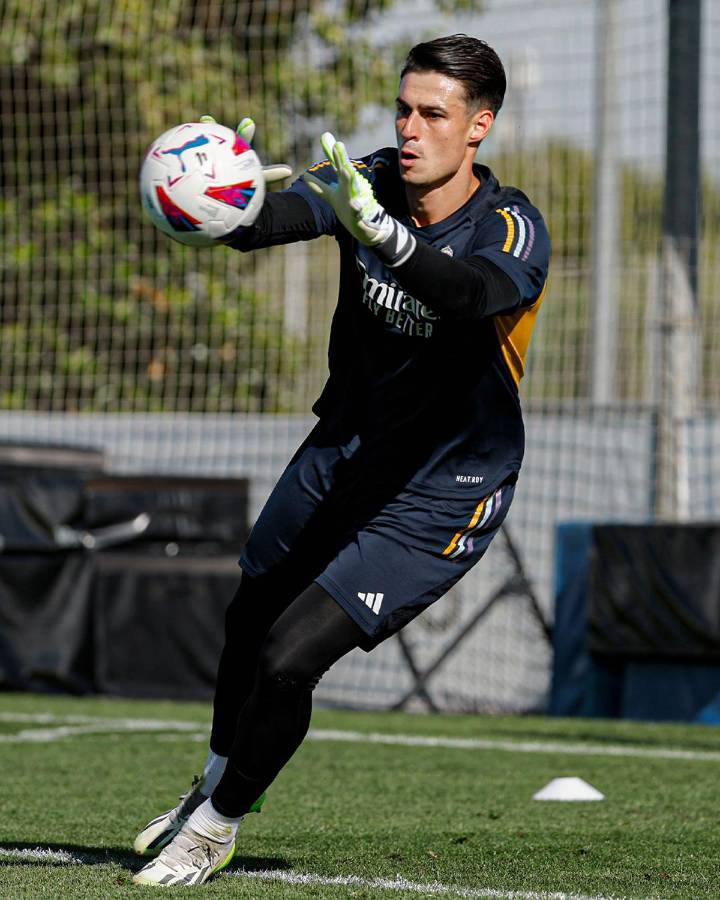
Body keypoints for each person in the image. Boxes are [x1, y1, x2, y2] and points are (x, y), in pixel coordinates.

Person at [132, 33, 550, 887]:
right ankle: (209, 784)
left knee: (289, 656)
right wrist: (222, 185)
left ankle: (216, 826)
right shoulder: (372, 182)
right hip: (346, 448)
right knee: (249, 616)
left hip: (445, 486)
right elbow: (267, 224)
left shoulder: (513, 226)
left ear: (479, 128)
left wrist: (388, 240)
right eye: (404, 108)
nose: (410, 128)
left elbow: (469, 294)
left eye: (433, 114)